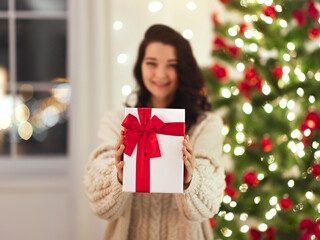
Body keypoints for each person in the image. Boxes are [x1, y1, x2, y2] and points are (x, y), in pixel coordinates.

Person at [83, 24, 225, 240]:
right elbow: (100, 205)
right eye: (151, 63)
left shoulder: (206, 125)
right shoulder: (116, 123)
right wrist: (119, 176)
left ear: (184, 70)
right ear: (140, 66)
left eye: (172, 65)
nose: (160, 74)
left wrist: (190, 179)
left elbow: (208, 204)